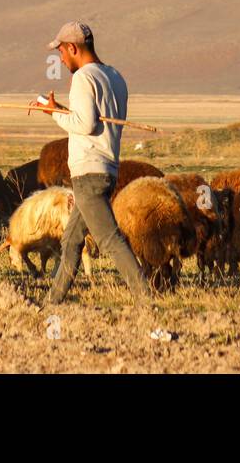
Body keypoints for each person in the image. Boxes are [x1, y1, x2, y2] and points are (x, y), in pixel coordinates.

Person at [29, 20, 150, 304]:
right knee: (71, 241)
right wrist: (59, 109)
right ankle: (52, 303)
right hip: (108, 166)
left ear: (73, 47)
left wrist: (53, 114)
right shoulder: (115, 77)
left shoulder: (83, 78)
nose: (60, 58)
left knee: (109, 239)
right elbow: (94, 118)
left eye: (61, 52)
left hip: (88, 172)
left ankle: (144, 297)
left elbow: (83, 124)